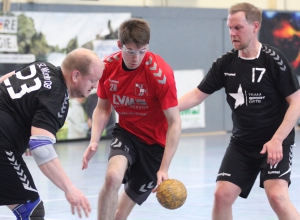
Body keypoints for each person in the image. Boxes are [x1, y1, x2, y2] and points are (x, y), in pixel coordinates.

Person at [178, 2, 300, 220]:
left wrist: (277, 139)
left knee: (277, 197)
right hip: (242, 144)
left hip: (275, 143)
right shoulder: (225, 64)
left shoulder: (274, 60)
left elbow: (296, 102)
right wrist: (164, 108)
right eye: (229, 28)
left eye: (238, 28)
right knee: (221, 195)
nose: (232, 33)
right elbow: (197, 95)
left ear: (255, 26)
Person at [82, 18, 181, 220]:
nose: (136, 57)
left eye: (142, 51)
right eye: (130, 51)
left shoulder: (161, 74)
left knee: (119, 214)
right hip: (127, 133)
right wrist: (94, 140)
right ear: (120, 45)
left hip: (155, 146)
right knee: (112, 179)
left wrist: (164, 167)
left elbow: (175, 122)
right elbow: (103, 107)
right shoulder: (108, 68)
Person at [0, 48, 104, 219]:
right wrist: (69, 188)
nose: (95, 86)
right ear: (76, 75)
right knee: (32, 210)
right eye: (93, 80)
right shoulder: (57, 95)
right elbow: (41, 147)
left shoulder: (43, 66)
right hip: (3, 146)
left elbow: (5, 79)